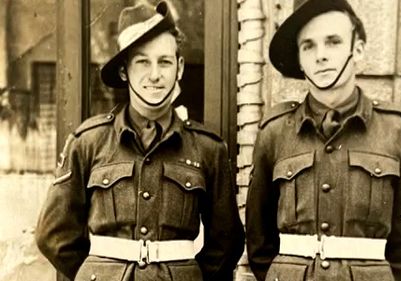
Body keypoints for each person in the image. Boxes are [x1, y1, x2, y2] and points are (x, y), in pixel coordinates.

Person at [35, 2, 244, 281]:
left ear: (180, 67)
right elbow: (53, 233)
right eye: (142, 62)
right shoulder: (89, 142)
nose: (155, 75)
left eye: (165, 61)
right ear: (124, 71)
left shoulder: (207, 148)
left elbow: (227, 242)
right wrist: (96, 273)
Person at [245, 0, 401, 280]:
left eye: (333, 42)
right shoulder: (275, 133)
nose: (320, 55)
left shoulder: (397, 130)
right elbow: (259, 240)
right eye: (308, 46)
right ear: (300, 59)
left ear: (357, 50)